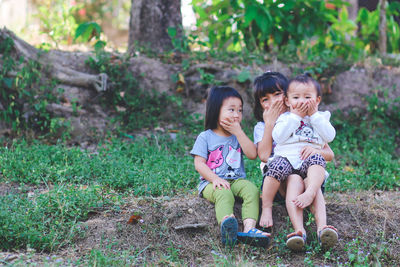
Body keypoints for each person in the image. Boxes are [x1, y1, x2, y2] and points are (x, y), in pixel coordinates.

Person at [253, 72, 338, 251]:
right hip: (279, 180)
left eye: (277, 95)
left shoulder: (312, 119)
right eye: (265, 99)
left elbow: (328, 153)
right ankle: (294, 225)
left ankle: (322, 228)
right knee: (291, 177)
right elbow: (264, 156)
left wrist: (315, 149)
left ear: (285, 98)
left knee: (305, 177)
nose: (274, 102)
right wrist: (270, 123)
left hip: (309, 174)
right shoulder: (268, 125)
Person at [191, 85, 270, 247]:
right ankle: (227, 226)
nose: (236, 115)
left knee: (251, 190)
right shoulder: (205, 137)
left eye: (239, 110)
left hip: (236, 180)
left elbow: (252, 154)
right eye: (231, 110)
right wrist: (215, 179)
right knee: (224, 194)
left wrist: (239, 133)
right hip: (211, 183)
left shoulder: (237, 136)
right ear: (216, 110)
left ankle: (249, 229)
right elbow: (199, 164)